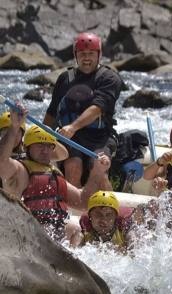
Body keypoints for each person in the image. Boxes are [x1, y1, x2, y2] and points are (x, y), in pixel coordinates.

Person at [0, 103, 112, 243]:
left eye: (49, 146)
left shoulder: (54, 174)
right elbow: (0, 162)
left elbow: (83, 202)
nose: (45, 151)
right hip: (24, 233)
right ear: (27, 148)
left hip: (53, 235)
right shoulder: (19, 169)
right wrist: (14, 127)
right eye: (39, 146)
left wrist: (96, 173)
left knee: (74, 229)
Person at [43, 32, 123, 188]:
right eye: (82, 54)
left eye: (91, 54)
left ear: (99, 55)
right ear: (75, 55)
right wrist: (41, 137)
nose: (86, 58)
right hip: (71, 138)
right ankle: (75, 210)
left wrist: (73, 127)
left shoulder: (110, 78)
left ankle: (107, 207)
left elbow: (97, 108)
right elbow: (52, 112)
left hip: (101, 137)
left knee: (99, 168)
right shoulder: (65, 78)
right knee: (73, 167)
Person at [76, 190, 157, 251]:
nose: (104, 219)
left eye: (109, 215)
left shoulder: (125, 228)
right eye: (98, 214)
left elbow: (135, 253)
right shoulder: (84, 229)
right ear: (90, 216)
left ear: (115, 217)